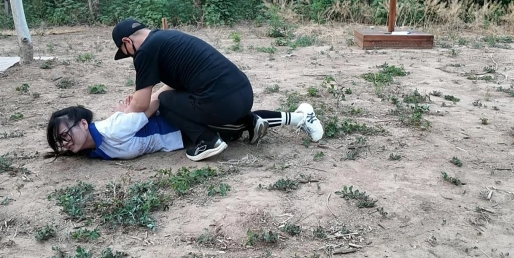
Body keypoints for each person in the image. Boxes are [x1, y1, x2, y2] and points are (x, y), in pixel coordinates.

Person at [112, 18, 263, 161]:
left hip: (222, 105)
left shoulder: (145, 51)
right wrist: (151, 98)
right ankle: (249, 120)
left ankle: (208, 140)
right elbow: (176, 84)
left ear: (127, 41)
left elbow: (141, 104)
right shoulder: (168, 37)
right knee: (174, 96)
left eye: (127, 52)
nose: (132, 56)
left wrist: (124, 113)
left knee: (165, 102)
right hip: (245, 96)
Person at [46, 101, 324, 160]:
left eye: (65, 134)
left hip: (182, 123)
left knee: (239, 123)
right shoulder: (92, 149)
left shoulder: (113, 129)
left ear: (84, 124)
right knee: (237, 127)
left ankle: (302, 117)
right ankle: (298, 115)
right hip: (181, 138)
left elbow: (154, 102)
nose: (64, 142)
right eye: (59, 141)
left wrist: (128, 110)